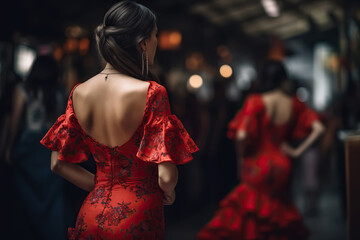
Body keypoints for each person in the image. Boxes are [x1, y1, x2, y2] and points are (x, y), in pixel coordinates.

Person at [40, 1, 198, 239]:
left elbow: (57, 163)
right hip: (137, 216)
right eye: (155, 36)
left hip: (90, 214)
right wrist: (169, 191)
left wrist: (103, 188)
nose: (156, 43)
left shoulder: (78, 93)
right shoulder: (152, 93)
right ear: (142, 43)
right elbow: (165, 176)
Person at [196, 60, 325, 240]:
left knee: (252, 214)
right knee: (278, 213)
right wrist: (296, 152)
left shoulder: (255, 101)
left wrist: (241, 159)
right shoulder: (294, 103)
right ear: (282, 79)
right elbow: (319, 128)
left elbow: (241, 135)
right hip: (282, 164)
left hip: (258, 164)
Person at [1, 55, 69, 239]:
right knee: (53, 198)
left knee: (24, 198)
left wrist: (8, 149)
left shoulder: (23, 89)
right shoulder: (61, 92)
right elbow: (64, 126)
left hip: (28, 150)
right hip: (51, 150)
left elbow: (15, 123)